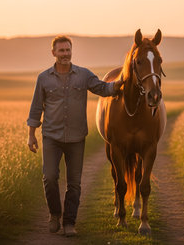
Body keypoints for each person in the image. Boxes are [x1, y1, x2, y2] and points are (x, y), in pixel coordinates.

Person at [26, 35, 123, 237]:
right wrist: (31, 135)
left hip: (76, 138)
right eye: (61, 51)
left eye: (68, 50)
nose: (65, 54)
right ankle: (54, 214)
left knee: (74, 183)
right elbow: (36, 108)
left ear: (72, 51)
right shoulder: (43, 78)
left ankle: (69, 223)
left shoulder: (83, 75)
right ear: (53, 53)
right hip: (51, 137)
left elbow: (104, 89)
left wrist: (122, 81)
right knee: (50, 177)